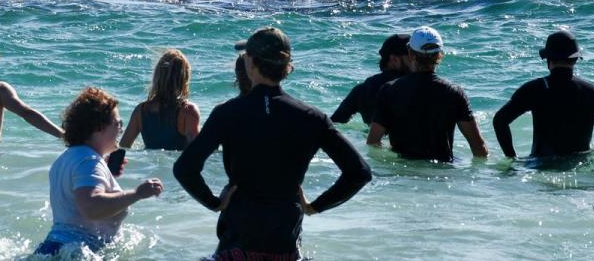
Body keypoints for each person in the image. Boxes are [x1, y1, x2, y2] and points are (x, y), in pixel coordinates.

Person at [174, 27, 371, 260]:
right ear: (286, 66)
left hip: (237, 242)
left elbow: (185, 168)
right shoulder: (312, 117)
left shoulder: (226, 113)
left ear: (251, 63)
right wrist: (315, 206)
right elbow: (359, 172)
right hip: (285, 244)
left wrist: (214, 202)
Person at [36, 87, 163, 255]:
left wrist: (105, 174)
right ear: (99, 127)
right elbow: (91, 207)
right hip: (76, 252)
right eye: (118, 124)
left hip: (53, 248)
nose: (121, 130)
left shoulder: (66, 158)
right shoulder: (88, 162)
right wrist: (137, 193)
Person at [492, 30, 594, 159]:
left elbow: (499, 121)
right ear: (576, 59)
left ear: (548, 60)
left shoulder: (534, 90)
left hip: (541, 167)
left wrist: (512, 160)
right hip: (579, 167)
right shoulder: (593, 93)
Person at [367, 26, 488, 161]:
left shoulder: (389, 90)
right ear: (440, 55)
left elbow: (373, 142)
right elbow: (478, 148)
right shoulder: (454, 93)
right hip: (442, 175)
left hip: (402, 175)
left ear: (410, 53)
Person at [119, 49, 200, 150]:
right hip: (177, 165)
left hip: (150, 165)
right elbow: (197, 150)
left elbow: (123, 147)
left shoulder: (141, 111)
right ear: (185, 78)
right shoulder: (188, 111)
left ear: (157, 76)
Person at [332, 33, 411, 125]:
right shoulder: (417, 85)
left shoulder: (362, 90)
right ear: (394, 59)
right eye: (411, 56)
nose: (416, 59)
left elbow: (332, 124)